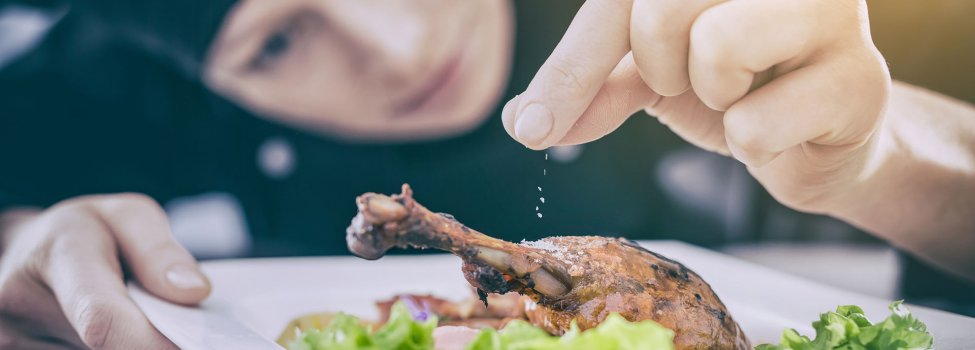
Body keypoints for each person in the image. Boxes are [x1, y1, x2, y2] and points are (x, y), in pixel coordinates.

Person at [0, 0, 972, 348]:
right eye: (280, 38)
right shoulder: (115, 67)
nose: (398, 43)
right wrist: (21, 240)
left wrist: (886, 153)